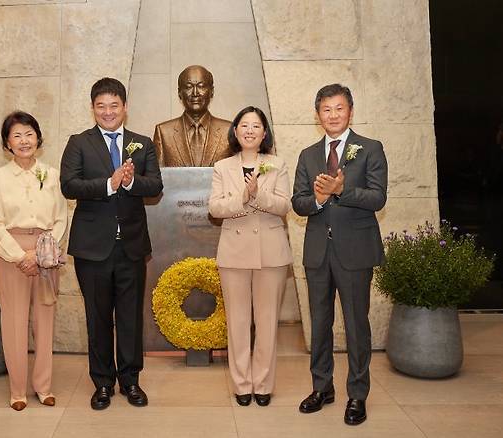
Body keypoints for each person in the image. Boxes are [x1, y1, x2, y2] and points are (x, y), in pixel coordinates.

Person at [60, 77, 163, 410]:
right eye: (101, 106)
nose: (108, 111)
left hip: (131, 246)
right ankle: (102, 383)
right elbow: (69, 185)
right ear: (93, 108)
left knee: (131, 317)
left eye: (114, 105)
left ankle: (130, 381)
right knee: (98, 317)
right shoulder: (79, 143)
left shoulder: (142, 143)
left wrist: (131, 182)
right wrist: (108, 184)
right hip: (92, 248)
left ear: (125, 108)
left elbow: (156, 186)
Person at [292, 84, 388, 425]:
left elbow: (378, 198)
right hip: (318, 252)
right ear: (318, 115)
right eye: (326, 110)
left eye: (339, 108)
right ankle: (322, 388)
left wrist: (342, 189)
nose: (333, 115)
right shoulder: (308, 154)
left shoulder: (370, 149)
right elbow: (298, 202)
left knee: (356, 326)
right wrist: (319, 199)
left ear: (350, 111)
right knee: (320, 325)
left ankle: (357, 395)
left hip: (355, 251)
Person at [208, 106, 293, 407]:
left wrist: (258, 194)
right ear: (235, 131)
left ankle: (264, 384)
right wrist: (242, 197)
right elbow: (215, 209)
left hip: (271, 253)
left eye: (256, 126)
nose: (249, 130)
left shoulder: (277, 163)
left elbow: (285, 206)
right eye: (244, 125)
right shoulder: (222, 167)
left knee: (268, 322)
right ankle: (242, 384)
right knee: (238, 323)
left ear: (264, 133)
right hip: (234, 253)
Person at [0, 111, 68, 411]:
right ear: (7, 143)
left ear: (38, 138)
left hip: (46, 252)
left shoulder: (52, 174)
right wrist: (21, 256)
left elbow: (61, 217)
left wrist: (43, 252)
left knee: (44, 322)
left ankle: (43, 387)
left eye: (29, 134)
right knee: (14, 322)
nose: (24, 141)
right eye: (17, 135)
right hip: (12, 254)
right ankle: (18, 390)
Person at [153, 65, 232, 167]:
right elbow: (157, 177)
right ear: (179, 93)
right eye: (189, 87)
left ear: (211, 91)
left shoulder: (229, 130)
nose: (195, 93)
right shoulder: (163, 132)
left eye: (201, 86)